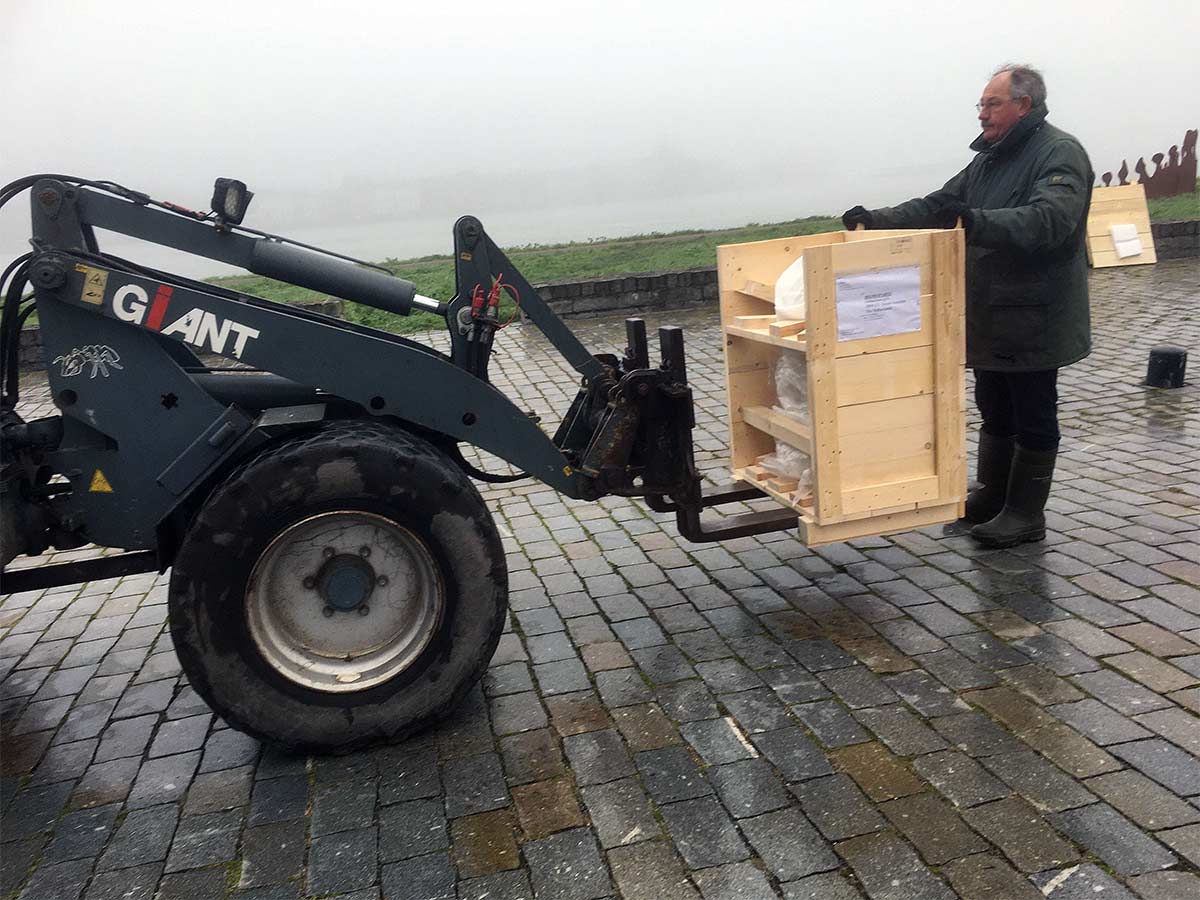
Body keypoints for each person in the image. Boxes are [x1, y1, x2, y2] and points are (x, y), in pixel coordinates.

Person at [842, 63, 1093, 549]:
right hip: (991, 314)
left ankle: (1025, 513)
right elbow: (940, 205)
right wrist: (877, 220)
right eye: (980, 104)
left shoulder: (1059, 153)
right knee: (994, 407)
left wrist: (978, 222)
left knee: (1033, 413)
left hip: (1034, 316)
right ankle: (992, 494)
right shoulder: (989, 160)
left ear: (1024, 105)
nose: (981, 114)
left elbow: (1049, 221)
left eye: (991, 103)